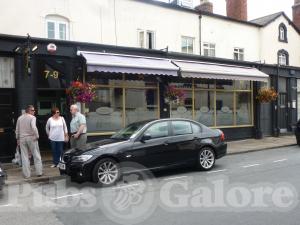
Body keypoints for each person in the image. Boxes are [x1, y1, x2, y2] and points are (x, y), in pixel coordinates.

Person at [15, 105, 43, 178]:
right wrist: (37, 136)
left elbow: (17, 129)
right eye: (33, 110)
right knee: (36, 155)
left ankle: (27, 174)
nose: (34, 111)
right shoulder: (32, 117)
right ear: (29, 111)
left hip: (22, 139)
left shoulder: (19, 118)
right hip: (31, 138)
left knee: (24, 157)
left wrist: (17, 139)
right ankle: (39, 172)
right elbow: (34, 127)